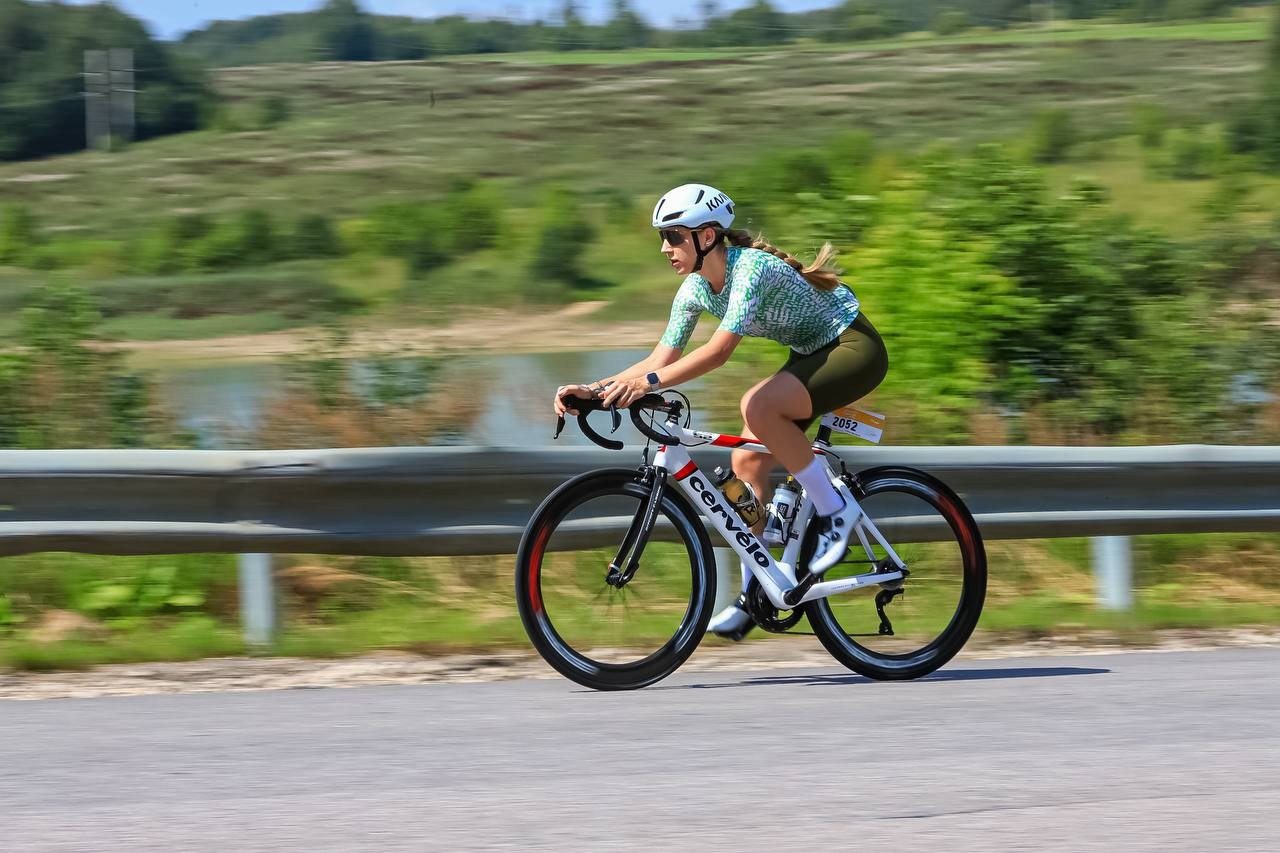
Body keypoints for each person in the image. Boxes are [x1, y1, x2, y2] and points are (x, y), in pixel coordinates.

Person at [553, 183, 888, 641]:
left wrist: (644, 386)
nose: (665, 248)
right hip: (811, 355)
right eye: (662, 238)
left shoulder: (749, 269)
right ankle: (758, 595)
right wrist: (594, 391)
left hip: (854, 348)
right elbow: (658, 360)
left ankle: (835, 512)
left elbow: (717, 353)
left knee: (756, 404)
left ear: (706, 236)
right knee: (745, 460)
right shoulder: (695, 289)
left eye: (673, 236)